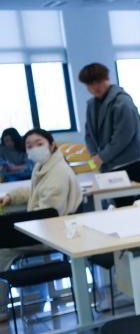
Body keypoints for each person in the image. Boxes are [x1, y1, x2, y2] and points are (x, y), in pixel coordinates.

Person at [0, 128, 82, 322]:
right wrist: (11, 197)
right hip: (44, 228)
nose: (34, 148)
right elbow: (34, 191)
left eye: (39, 144)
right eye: (29, 146)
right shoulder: (44, 166)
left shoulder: (57, 172)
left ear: (51, 145)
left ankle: (1, 308)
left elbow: (46, 213)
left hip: (52, 233)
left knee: (1, 250)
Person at [79, 62, 140, 204]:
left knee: (129, 205)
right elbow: (89, 133)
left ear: (107, 79)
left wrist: (102, 157)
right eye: (90, 84)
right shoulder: (92, 104)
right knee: (116, 203)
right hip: (110, 162)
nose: (94, 87)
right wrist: (94, 155)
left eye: (98, 82)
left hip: (131, 162)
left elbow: (123, 136)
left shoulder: (122, 101)